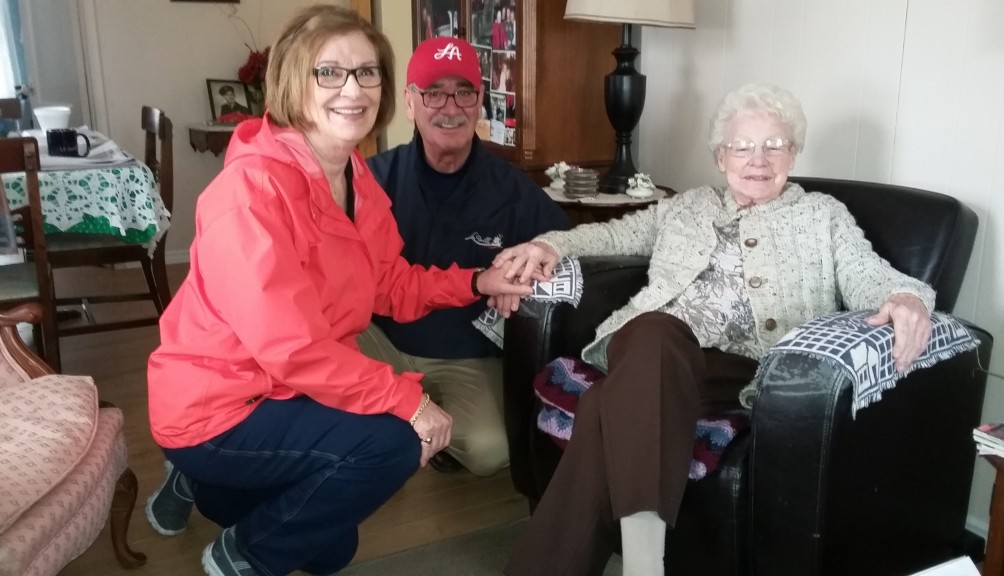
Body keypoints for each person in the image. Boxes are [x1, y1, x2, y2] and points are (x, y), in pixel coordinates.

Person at [143, 6, 532, 576]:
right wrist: (411, 402)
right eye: (329, 72)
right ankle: (238, 553)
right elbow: (293, 348)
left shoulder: (355, 174)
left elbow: (391, 283)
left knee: (331, 550)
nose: (352, 90)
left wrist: (478, 279)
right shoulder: (249, 193)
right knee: (393, 444)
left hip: (281, 393)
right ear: (292, 82)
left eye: (366, 72)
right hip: (219, 405)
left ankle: (202, 482)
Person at [496, 83, 935, 576]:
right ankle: (646, 566)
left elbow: (871, 276)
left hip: (741, 368)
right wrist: (551, 246)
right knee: (656, 333)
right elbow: (610, 233)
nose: (759, 159)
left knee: (605, 404)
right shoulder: (687, 206)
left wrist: (906, 297)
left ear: (793, 153)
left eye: (774, 145)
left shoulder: (823, 217)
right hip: (650, 345)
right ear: (721, 157)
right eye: (743, 146)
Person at [364, 35, 569, 477]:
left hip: (466, 356)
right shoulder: (371, 179)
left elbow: (568, 245)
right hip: (383, 343)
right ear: (409, 102)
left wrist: (529, 265)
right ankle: (404, 418)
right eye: (434, 92)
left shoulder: (511, 187)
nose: (450, 106)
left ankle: (427, 423)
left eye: (464, 92)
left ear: (480, 103)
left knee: (490, 451)